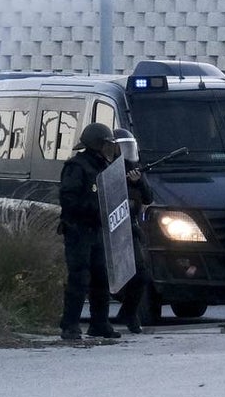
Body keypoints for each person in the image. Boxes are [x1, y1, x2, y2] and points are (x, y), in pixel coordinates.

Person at [57, 122, 121, 341]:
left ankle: (99, 323)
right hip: (79, 231)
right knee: (80, 278)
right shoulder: (77, 167)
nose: (109, 149)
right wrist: (95, 208)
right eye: (106, 144)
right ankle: (70, 325)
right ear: (96, 144)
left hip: (98, 230)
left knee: (101, 277)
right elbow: (69, 200)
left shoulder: (103, 166)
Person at [112, 128, 154, 334]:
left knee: (141, 274)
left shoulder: (134, 170)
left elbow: (148, 197)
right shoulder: (105, 168)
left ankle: (129, 312)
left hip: (130, 229)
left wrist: (137, 182)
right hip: (108, 230)